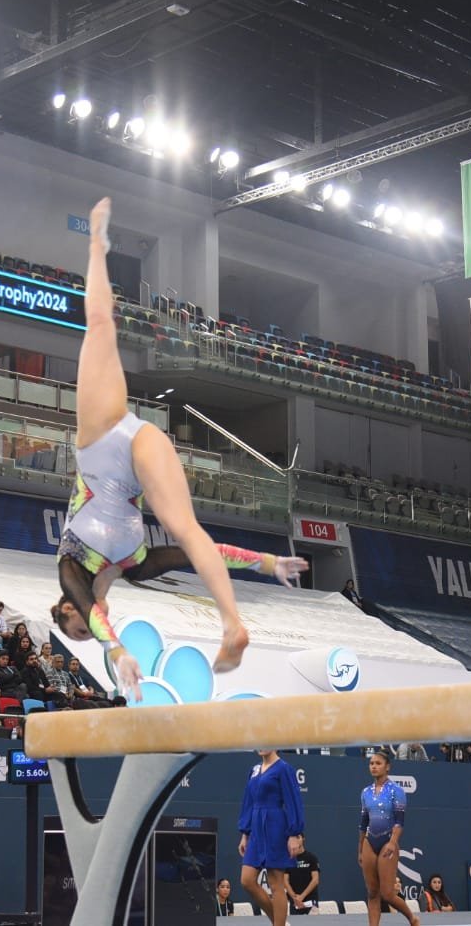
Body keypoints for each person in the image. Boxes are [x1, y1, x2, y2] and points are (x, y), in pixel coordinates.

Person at [49, 198, 307, 697]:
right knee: (189, 532)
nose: (95, 619)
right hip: (136, 455)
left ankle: (97, 249)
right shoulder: (135, 566)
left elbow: (91, 611)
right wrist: (267, 563)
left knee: (101, 325)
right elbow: (201, 554)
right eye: (92, 627)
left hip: (101, 440)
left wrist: (117, 650)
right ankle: (232, 624)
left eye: (80, 624)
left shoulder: (69, 569)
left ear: (66, 608)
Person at [239, 748, 305, 926]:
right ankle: (281, 922)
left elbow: (293, 801)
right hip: (255, 829)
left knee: (276, 884)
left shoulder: (284, 768)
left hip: (276, 826)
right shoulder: (253, 770)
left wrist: (293, 834)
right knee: (247, 880)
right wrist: (245, 833)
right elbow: (248, 802)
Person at [358, 751, 418, 926]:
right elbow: (363, 822)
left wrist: (393, 842)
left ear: (387, 767)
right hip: (370, 841)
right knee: (372, 892)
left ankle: (412, 918)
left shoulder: (397, 791)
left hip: (387, 842)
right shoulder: (365, 792)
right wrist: (360, 847)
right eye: (371, 763)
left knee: (387, 894)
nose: (374, 766)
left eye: (378, 763)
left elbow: (399, 822)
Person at [286, 836, 320, 915]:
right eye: (294, 838)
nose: (296, 840)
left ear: (303, 839)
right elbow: (285, 881)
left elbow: (315, 880)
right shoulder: (289, 859)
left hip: (311, 901)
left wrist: (302, 896)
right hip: (295, 903)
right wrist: (295, 898)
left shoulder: (312, 858)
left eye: (298, 837)